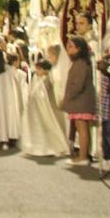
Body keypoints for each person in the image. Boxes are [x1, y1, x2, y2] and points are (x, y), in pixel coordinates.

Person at [21, 59, 70, 157]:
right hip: (36, 108)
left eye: (39, 69)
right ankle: (38, 146)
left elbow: (45, 94)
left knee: (48, 125)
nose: (37, 71)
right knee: (38, 127)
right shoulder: (37, 78)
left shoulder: (48, 79)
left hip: (46, 108)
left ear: (45, 70)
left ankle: (50, 147)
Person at [60, 35, 96, 167]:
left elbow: (78, 84)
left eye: (71, 46)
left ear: (79, 49)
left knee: (82, 130)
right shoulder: (79, 62)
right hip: (80, 102)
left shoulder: (81, 63)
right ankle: (82, 155)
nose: (68, 49)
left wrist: (69, 95)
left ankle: (82, 156)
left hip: (81, 102)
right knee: (82, 129)